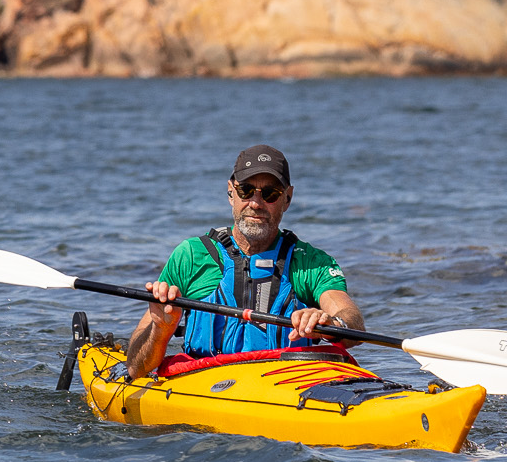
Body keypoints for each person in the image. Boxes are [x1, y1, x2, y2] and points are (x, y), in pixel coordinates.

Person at [123, 144, 364, 378]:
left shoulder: (312, 262)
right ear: (231, 192)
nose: (256, 203)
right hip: (202, 383)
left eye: (270, 194)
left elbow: (353, 323)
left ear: (287, 199)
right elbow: (135, 369)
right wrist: (160, 332)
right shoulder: (191, 255)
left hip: (285, 384)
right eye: (246, 191)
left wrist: (330, 323)